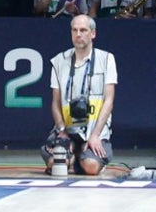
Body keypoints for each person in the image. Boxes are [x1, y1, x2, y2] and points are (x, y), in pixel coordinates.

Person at [40, 14, 117, 176]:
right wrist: (62, 129)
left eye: (83, 30)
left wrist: (95, 135)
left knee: (91, 166)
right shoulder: (59, 61)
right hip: (67, 128)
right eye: (74, 30)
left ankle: (82, 156)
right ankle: (72, 154)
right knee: (57, 165)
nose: (78, 34)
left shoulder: (107, 59)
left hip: (93, 129)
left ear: (93, 34)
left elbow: (109, 100)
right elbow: (55, 102)